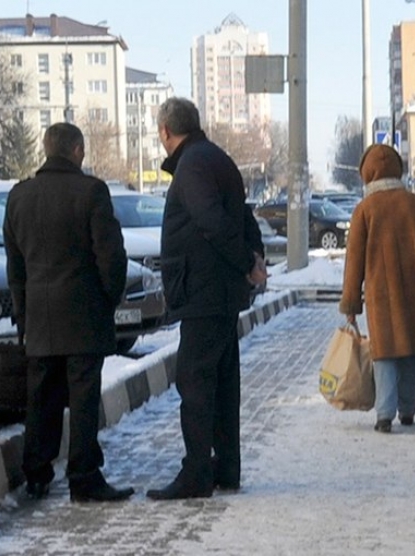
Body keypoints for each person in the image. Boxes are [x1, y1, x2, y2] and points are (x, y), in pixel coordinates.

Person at [4, 122, 135, 503]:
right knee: (82, 398)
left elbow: (15, 264)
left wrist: (23, 311)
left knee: (40, 396)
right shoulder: (91, 192)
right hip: (84, 313)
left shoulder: (19, 196)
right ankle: (83, 477)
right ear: (77, 150)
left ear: (47, 150)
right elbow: (111, 256)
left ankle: (37, 474)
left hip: (39, 316)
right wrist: (108, 299)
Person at [147, 97, 267, 500]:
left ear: (165, 131)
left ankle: (197, 473)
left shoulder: (193, 164)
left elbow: (213, 221)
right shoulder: (215, 157)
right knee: (221, 381)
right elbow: (243, 215)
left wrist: (246, 262)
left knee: (195, 382)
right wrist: (254, 257)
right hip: (218, 291)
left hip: (204, 290)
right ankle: (225, 467)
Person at [340, 144, 415, 433]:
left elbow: (353, 262)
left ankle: (384, 415)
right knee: (411, 351)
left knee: (384, 354)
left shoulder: (364, 210)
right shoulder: (414, 203)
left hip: (381, 298)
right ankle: (408, 411)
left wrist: (352, 304)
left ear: (367, 173)